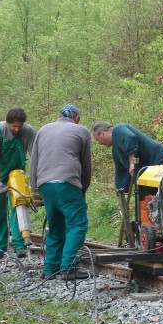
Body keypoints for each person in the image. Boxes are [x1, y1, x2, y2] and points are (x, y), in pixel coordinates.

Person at [30, 104, 92, 280]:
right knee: (78, 224)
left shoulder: (43, 129)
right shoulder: (82, 131)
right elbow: (85, 164)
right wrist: (83, 188)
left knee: (56, 226)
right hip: (67, 181)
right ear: (76, 118)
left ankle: (50, 269)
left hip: (45, 183)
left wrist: (35, 187)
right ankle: (69, 267)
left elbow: (34, 159)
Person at [0, 108, 37, 260]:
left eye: (19, 126)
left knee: (19, 207)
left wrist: (35, 182)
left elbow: (34, 156)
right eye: (13, 126)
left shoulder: (28, 131)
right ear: (7, 123)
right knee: (0, 213)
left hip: (16, 174)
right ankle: (0, 247)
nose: (17, 129)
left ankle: (19, 245)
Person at [91, 122, 163, 192]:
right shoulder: (116, 151)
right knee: (146, 204)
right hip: (148, 174)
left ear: (102, 134)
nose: (100, 143)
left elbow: (130, 137)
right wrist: (121, 195)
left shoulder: (119, 129)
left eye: (98, 140)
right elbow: (121, 173)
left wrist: (132, 163)